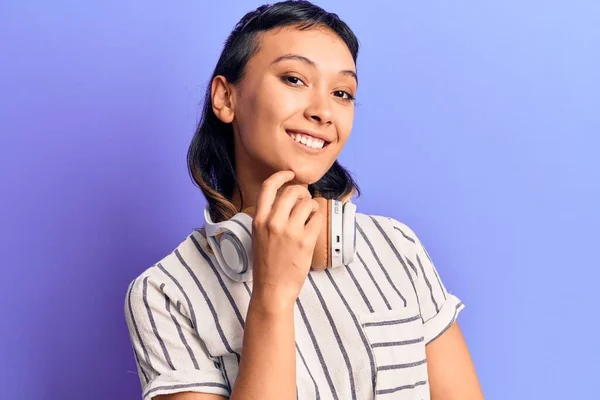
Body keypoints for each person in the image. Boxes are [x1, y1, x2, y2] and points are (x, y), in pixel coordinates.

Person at [124, 1, 484, 399]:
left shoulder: (397, 247)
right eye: (294, 79)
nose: (323, 111)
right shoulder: (165, 295)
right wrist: (272, 298)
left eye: (342, 92)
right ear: (226, 98)